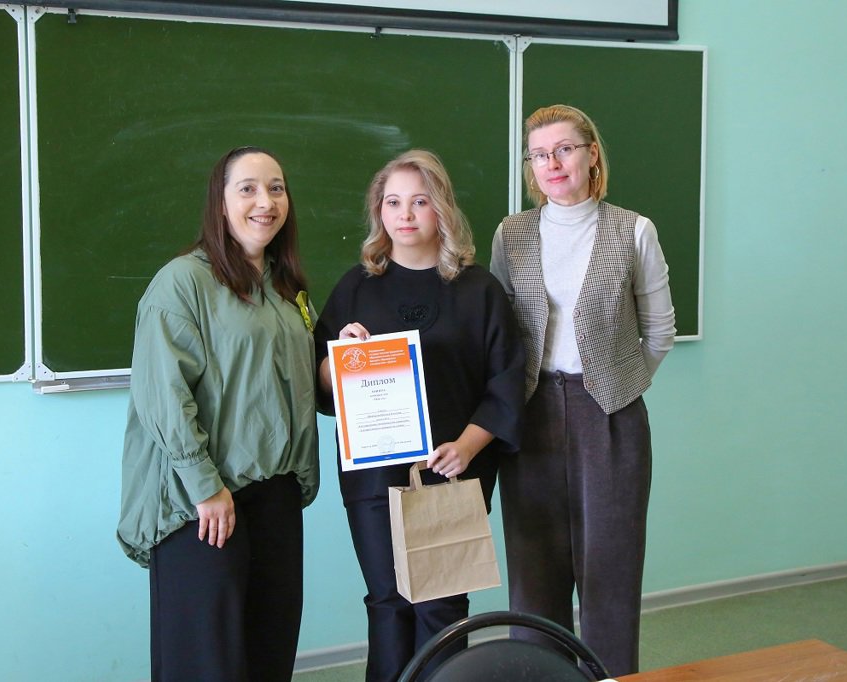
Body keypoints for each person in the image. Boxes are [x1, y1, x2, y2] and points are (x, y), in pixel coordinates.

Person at [314, 149, 525, 682]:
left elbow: (506, 380)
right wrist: (341, 358)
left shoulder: (479, 290)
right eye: (392, 202)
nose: (404, 214)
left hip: (452, 470)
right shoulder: (355, 287)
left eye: (419, 201)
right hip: (373, 476)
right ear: (379, 211)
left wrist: (468, 447)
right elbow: (320, 379)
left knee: (441, 605)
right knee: (387, 600)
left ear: (442, 209)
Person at [117, 146, 319, 682]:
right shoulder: (182, 282)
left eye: (276, 188)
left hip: (275, 493)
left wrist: (351, 358)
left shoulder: (286, 287)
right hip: (202, 501)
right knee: (208, 661)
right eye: (247, 189)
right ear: (220, 202)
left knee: (269, 649)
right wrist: (205, 487)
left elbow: (302, 385)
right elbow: (162, 394)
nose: (265, 202)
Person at [490, 104, 676, 677]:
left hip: (612, 416)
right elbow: (497, 332)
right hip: (530, 414)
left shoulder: (634, 230)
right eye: (539, 154)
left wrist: (617, 384)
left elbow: (659, 331)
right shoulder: (511, 234)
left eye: (564, 149)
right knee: (533, 577)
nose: (552, 163)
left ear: (592, 154)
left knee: (610, 573)